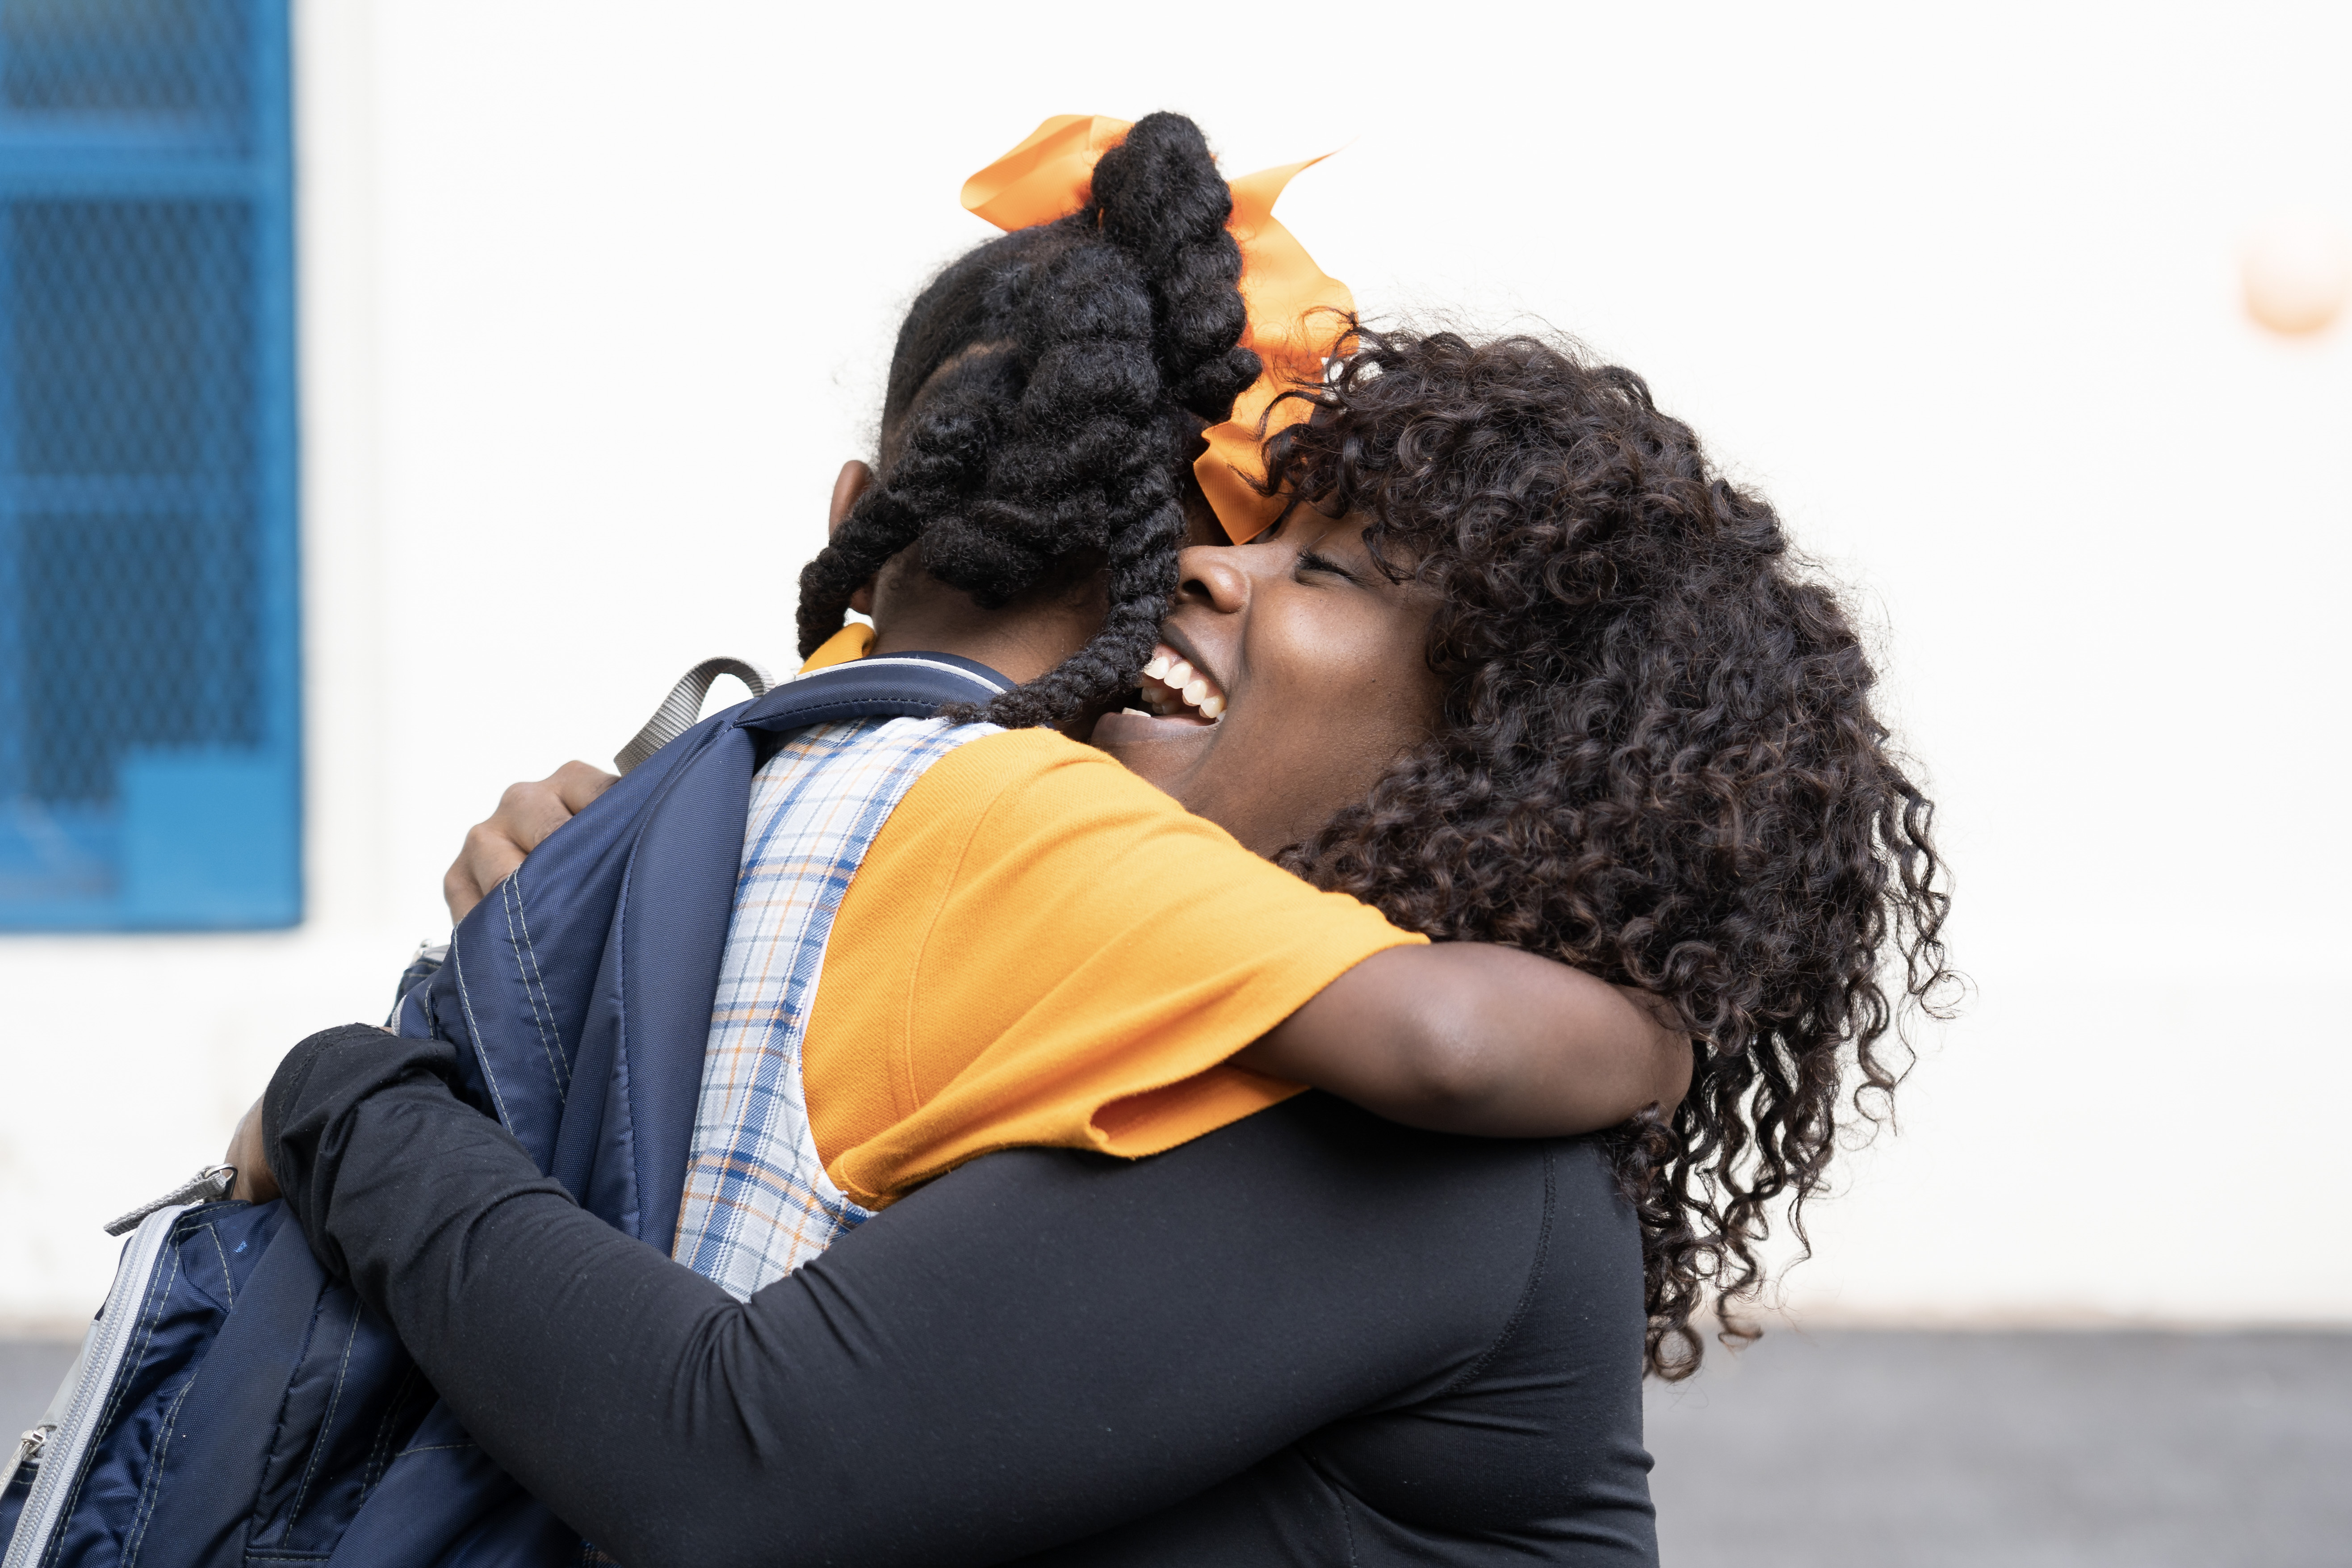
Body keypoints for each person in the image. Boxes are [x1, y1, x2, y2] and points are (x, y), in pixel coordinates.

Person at [254, 324, 1949, 1564]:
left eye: (1333, 573)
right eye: (1245, 525)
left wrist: (354, 1102)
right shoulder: (1114, 1009)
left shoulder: (1414, 1156)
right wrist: (591, 930)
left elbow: (732, 1463)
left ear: (1492, 761)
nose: (1207, 566)